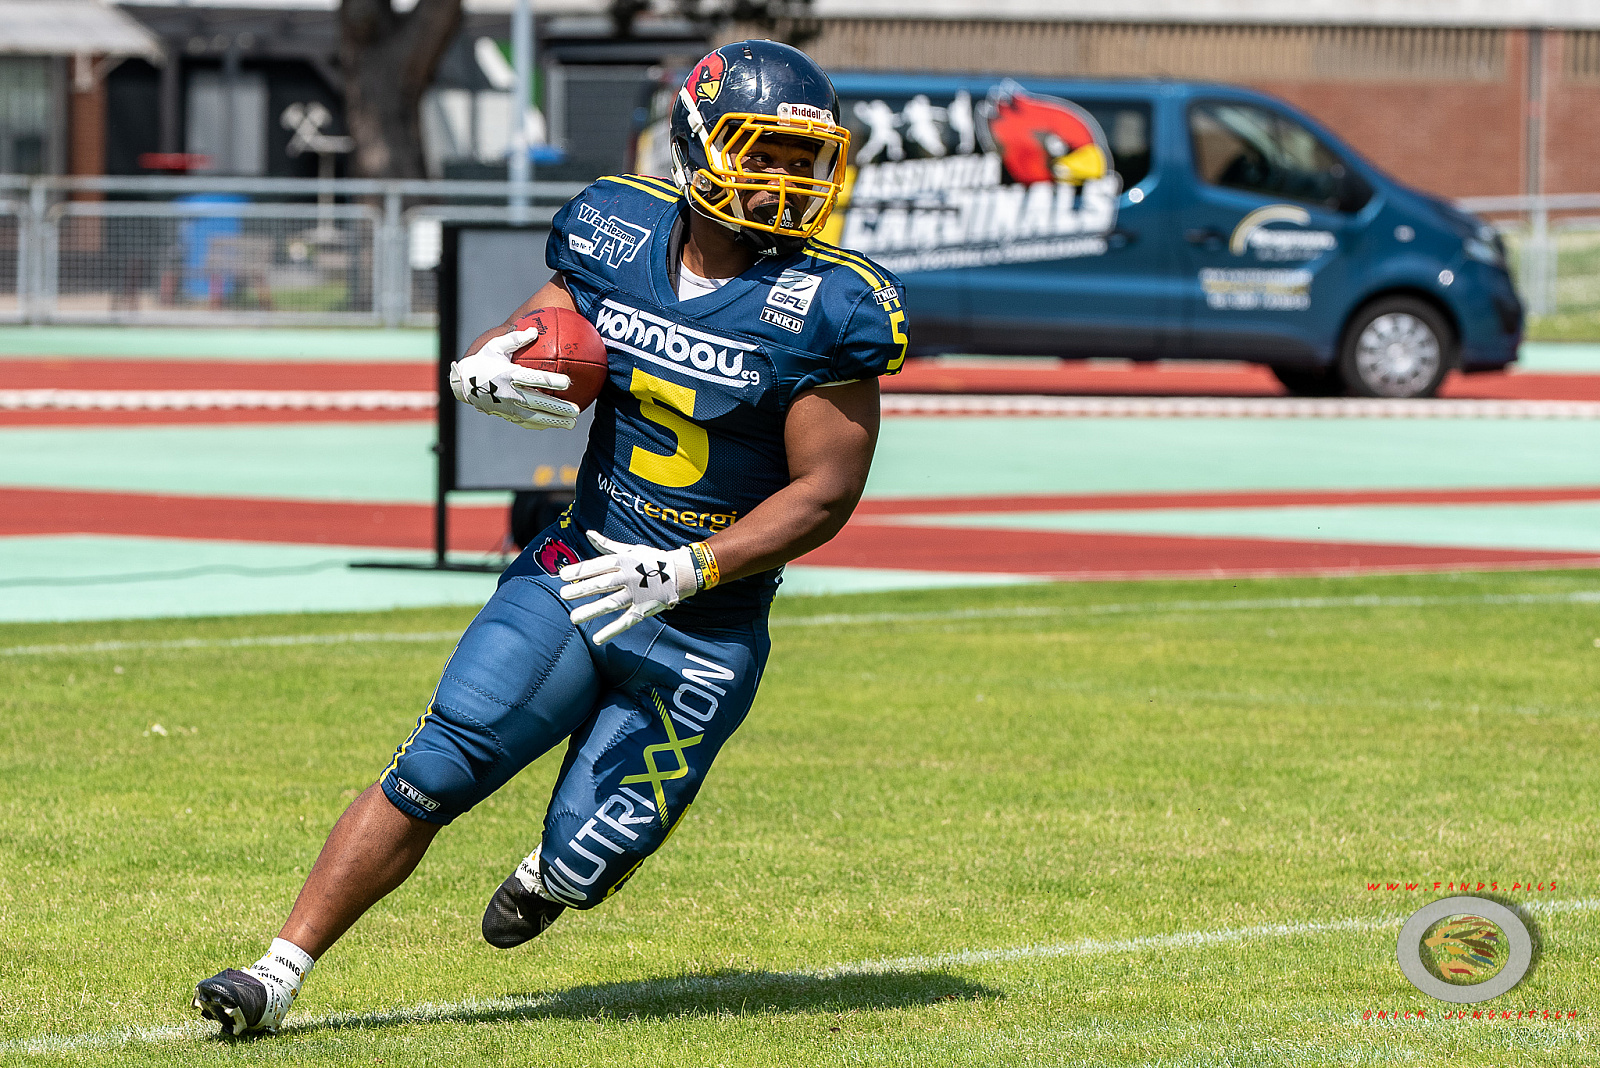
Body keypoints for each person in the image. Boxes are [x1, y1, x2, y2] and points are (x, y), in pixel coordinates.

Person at [191, 39, 910, 1036]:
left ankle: (553, 876)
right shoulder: (617, 227)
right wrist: (493, 359)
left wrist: (691, 567)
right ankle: (274, 973)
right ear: (698, 146)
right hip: (578, 570)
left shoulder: (830, 304)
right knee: (436, 765)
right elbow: (549, 324)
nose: (786, 180)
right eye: (764, 152)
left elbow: (825, 491)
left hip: (703, 627)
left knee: (584, 854)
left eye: (804, 159)